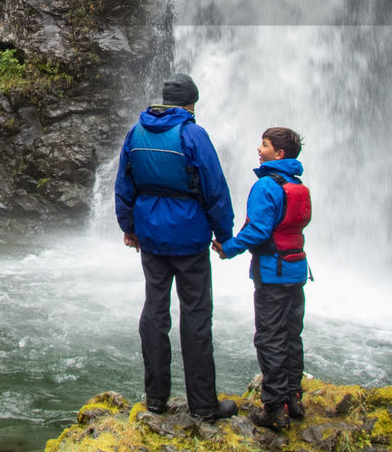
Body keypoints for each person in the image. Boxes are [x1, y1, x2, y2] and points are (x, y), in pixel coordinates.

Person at [114, 73, 237, 420]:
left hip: (151, 236)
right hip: (190, 237)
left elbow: (124, 185)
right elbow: (214, 188)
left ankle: (155, 399)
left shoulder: (136, 133)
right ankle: (202, 405)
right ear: (191, 103)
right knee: (196, 316)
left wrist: (129, 227)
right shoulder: (193, 134)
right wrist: (224, 235)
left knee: (155, 313)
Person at [213, 126, 311, 430]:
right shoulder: (296, 184)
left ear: (278, 154)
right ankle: (294, 398)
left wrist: (227, 248)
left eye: (264, 145)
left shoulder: (267, 186)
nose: (259, 149)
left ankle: (273, 408)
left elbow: (257, 230)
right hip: (296, 270)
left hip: (273, 273)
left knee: (269, 339)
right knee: (291, 336)